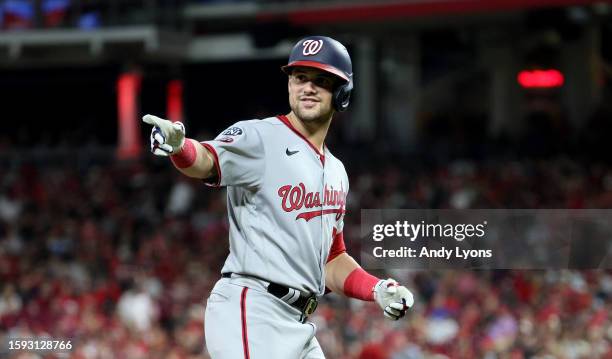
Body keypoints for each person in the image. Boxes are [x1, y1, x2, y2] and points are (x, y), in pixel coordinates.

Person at [143, 35, 414, 359]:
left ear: (342, 93)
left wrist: (377, 289)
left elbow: (331, 260)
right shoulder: (261, 136)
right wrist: (179, 147)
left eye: (321, 80)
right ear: (289, 85)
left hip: (299, 324)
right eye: (300, 77)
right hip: (252, 309)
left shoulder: (337, 171)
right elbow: (207, 161)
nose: (308, 87)